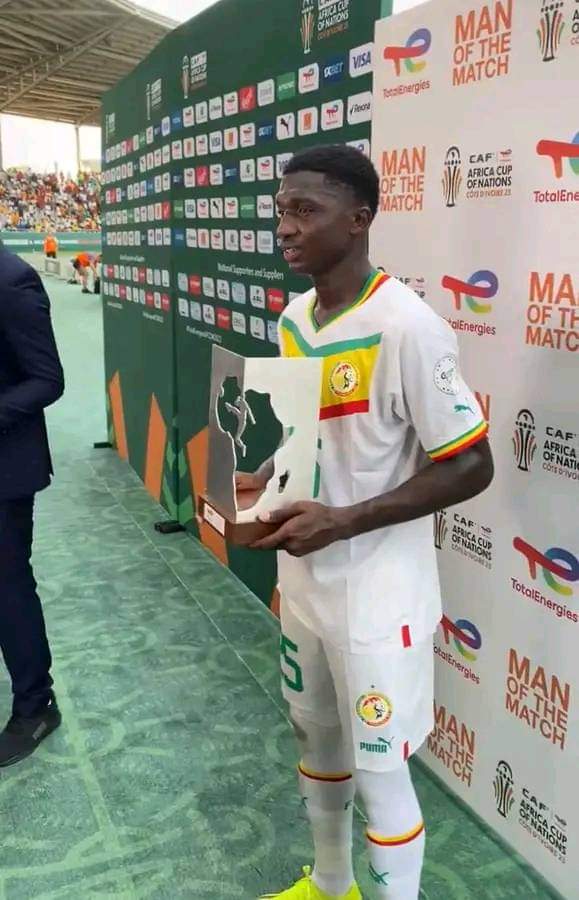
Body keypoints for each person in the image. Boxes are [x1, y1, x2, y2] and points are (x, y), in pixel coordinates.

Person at [237, 145, 494, 900]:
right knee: (315, 741)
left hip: (378, 598)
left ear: (359, 218)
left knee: (381, 775)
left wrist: (345, 521)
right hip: (305, 584)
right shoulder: (294, 319)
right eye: (281, 211)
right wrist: (266, 477)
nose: (286, 227)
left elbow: (472, 464)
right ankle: (330, 883)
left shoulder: (408, 327)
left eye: (304, 211)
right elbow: (307, 435)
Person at [0, 241, 64, 767]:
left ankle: (36, 705)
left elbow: (47, 379)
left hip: (5, 472)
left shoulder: (11, 279)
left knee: (8, 589)